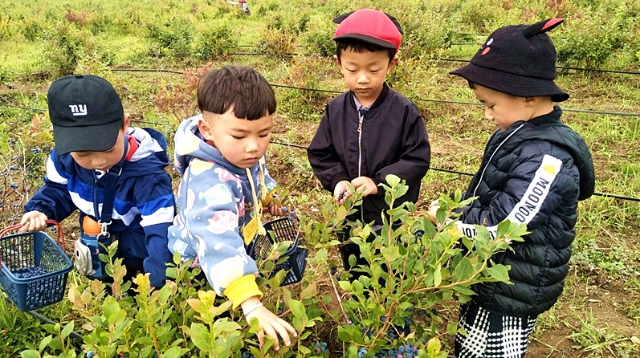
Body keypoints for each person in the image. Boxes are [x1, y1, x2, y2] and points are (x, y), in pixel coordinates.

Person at [435, 18, 596, 358]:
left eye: (490, 105)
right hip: (490, 275)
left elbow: (502, 226)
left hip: (510, 290)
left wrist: (448, 223)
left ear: (529, 97)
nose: (487, 115)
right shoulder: (515, 133)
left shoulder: (548, 159)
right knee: (469, 346)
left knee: (489, 352)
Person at [167, 65, 296, 351]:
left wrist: (266, 198)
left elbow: (256, 175)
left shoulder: (239, 154)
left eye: (264, 134)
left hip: (235, 246)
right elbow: (218, 243)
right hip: (198, 264)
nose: (254, 147)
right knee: (216, 331)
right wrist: (251, 303)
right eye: (240, 136)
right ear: (206, 130)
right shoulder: (209, 182)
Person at [306, 9, 431, 282]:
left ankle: (390, 319)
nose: (363, 78)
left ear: (391, 64)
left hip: (389, 218)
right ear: (338, 63)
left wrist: (379, 181)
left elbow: (417, 159)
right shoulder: (335, 110)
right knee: (354, 266)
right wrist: (338, 180)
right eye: (352, 69)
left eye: (374, 69)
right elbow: (320, 152)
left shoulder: (403, 112)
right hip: (349, 214)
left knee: (389, 272)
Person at [19, 75, 175, 289]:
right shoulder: (63, 159)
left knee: (137, 283)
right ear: (58, 137)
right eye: (84, 154)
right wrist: (43, 209)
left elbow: (160, 235)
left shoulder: (148, 177)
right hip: (97, 239)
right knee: (106, 289)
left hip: (138, 245)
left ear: (125, 125)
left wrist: (161, 286)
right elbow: (59, 189)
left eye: (108, 149)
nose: (98, 161)